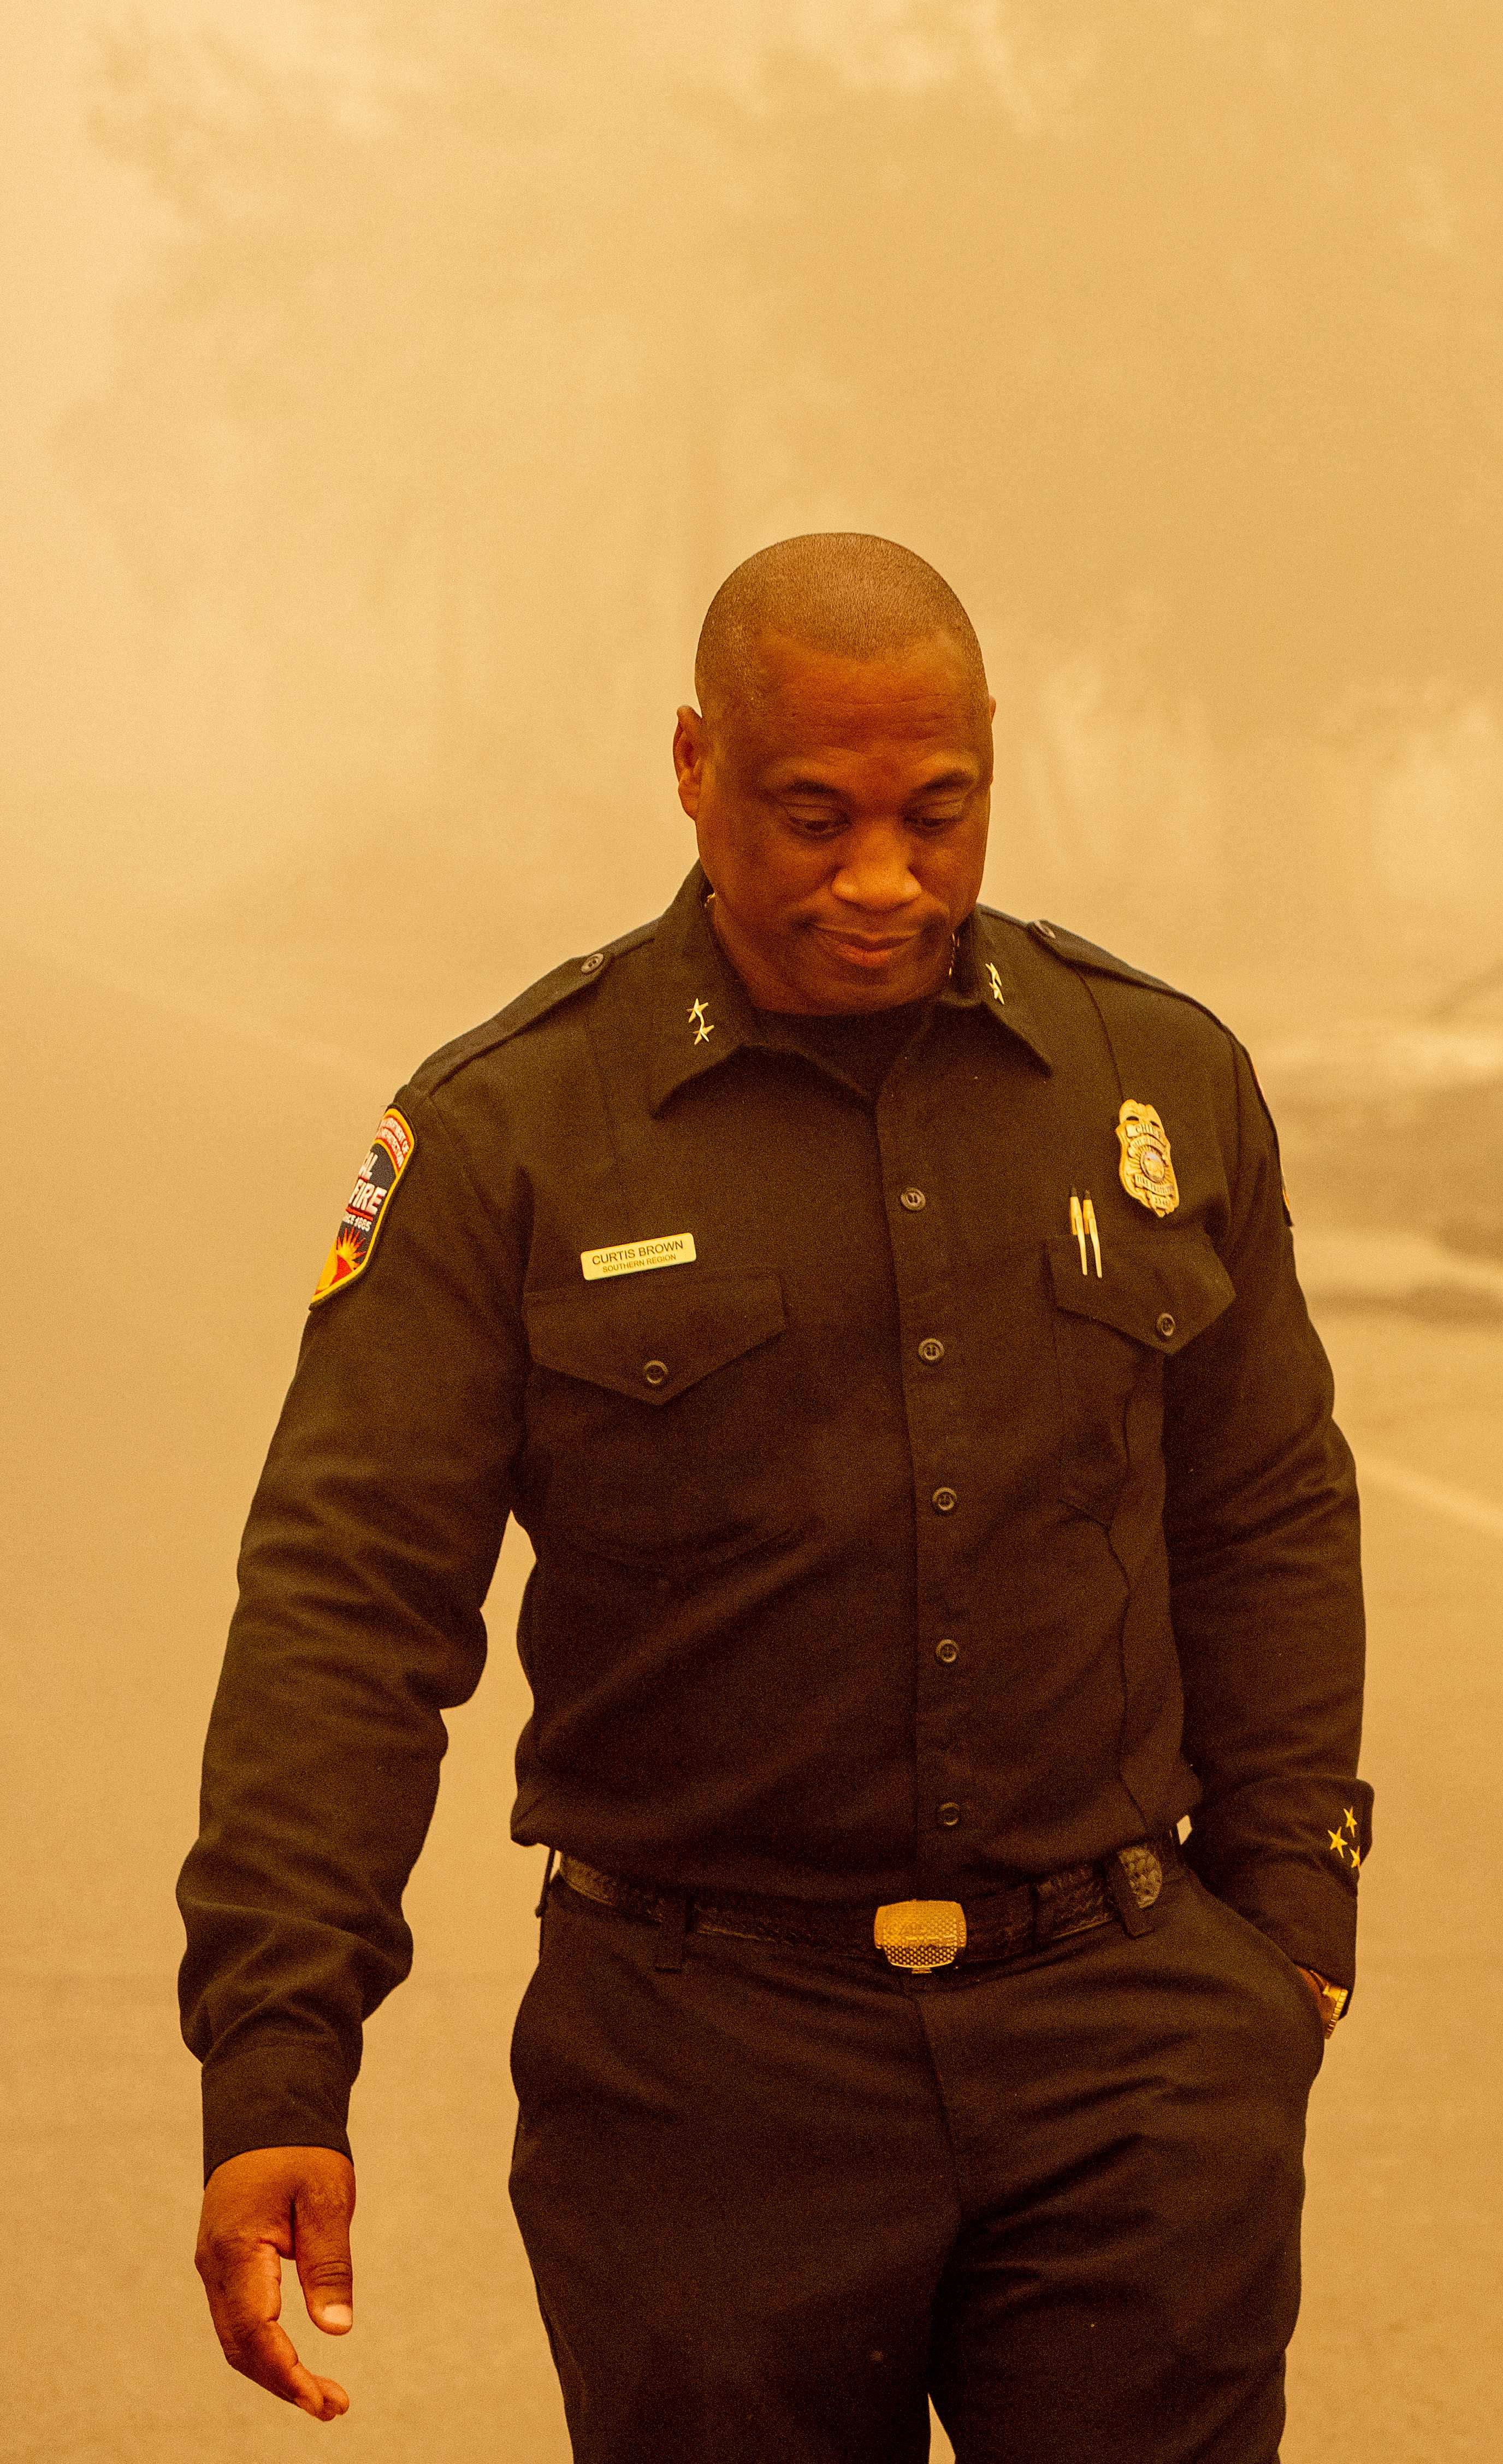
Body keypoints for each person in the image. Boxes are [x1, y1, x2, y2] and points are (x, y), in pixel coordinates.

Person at [180, 534, 1370, 2462]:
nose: (881, 880)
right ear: (693, 769)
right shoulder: (509, 1137)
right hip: (700, 2087)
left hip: (1125, 2058)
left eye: (936, 814)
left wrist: (1291, 1922)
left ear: (993, 770)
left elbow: (1269, 1509)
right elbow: (347, 1613)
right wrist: (275, 2064)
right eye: (815, 818)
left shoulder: (1155, 1084)